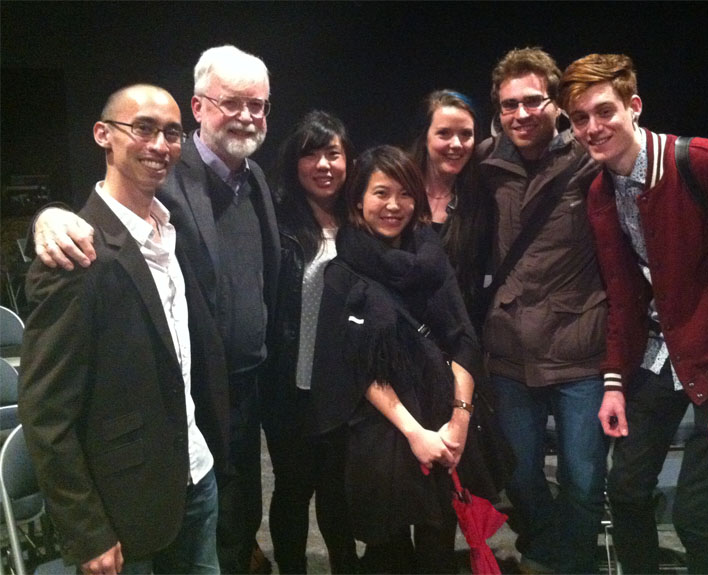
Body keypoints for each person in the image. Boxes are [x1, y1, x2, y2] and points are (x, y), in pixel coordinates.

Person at [475, 46, 708, 574]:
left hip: (690, 355)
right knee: (609, 491)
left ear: (633, 106)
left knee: (684, 513)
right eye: (583, 118)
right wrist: (617, 383)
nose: (593, 127)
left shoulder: (658, 162)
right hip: (626, 353)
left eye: (604, 112)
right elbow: (625, 296)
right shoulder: (576, 182)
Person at [29, 45, 280, 575]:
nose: (159, 145)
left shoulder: (222, 197)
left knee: (234, 527)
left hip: (207, 439)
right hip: (138, 475)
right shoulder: (150, 188)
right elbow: (48, 412)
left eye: (257, 105)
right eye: (143, 129)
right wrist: (47, 216)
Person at [310, 146, 493, 574]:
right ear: (359, 200)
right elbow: (357, 365)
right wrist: (414, 434)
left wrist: (457, 424)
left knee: (438, 548)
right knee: (387, 554)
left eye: (405, 193)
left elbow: (463, 339)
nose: (393, 205)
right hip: (381, 430)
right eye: (381, 193)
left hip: (442, 418)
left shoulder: (432, 258)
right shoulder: (342, 271)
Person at [263, 110, 358, 574]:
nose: (323, 165)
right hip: (290, 386)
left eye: (333, 154)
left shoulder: (362, 221)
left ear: (348, 160)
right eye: (311, 154)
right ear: (294, 163)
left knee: (339, 492)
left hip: (346, 390)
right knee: (293, 489)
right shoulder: (274, 221)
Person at [410, 90, 492, 328]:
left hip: (458, 334)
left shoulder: (483, 200)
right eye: (444, 133)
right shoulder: (399, 192)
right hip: (403, 332)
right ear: (424, 136)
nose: (456, 144)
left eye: (466, 134)